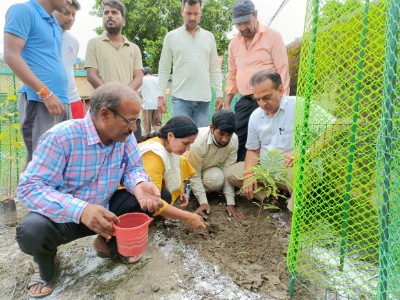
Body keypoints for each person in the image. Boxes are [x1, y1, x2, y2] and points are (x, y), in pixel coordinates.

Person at [15, 82, 206, 298]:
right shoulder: (61, 137)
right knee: (32, 230)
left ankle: (107, 245)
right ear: (105, 114)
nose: (135, 127)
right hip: (65, 217)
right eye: (130, 120)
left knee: (156, 196)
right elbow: (30, 188)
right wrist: (82, 209)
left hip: (107, 214)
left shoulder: (123, 138)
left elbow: (133, 168)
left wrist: (140, 184)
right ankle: (47, 267)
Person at [226, 70, 336, 233]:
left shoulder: (300, 106)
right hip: (266, 169)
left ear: (280, 90)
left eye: (266, 97)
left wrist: (306, 154)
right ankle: (273, 197)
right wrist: (249, 175)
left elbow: (334, 128)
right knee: (232, 173)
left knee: (301, 174)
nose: (262, 104)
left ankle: (294, 215)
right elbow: (253, 150)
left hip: (293, 170)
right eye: (258, 99)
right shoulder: (256, 116)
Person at [4, 0, 72, 165]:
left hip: (61, 101)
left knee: (60, 162)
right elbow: (11, 55)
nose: (70, 1)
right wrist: (45, 93)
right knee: (40, 163)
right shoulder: (23, 11)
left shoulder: (55, 24)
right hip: (40, 100)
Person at [224, 0, 290, 162]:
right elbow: (232, 74)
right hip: (246, 100)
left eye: (246, 22)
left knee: (271, 137)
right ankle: (243, 177)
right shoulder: (234, 44)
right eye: (238, 24)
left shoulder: (272, 36)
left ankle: (273, 176)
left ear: (255, 15)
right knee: (240, 138)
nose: (242, 28)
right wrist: (227, 103)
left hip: (270, 98)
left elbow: (282, 69)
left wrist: (284, 101)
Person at [157, 0, 223, 127]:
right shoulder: (171, 37)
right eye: (188, 13)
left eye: (196, 13)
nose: (192, 17)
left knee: (199, 142)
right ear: (182, 11)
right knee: (181, 140)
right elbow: (164, 68)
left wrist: (219, 93)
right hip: (180, 99)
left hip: (203, 100)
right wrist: (160, 95)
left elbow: (214, 69)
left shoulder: (209, 37)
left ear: (200, 13)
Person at [85, 0, 143, 140]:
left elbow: (139, 78)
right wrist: (113, 98)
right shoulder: (94, 44)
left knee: (132, 155)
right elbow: (92, 76)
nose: (109, 16)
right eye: (106, 13)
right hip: (103, 114)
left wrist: (123, 99)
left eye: (114, 13)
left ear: (123, 21)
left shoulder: (133, 48)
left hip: (129, 115)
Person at [185, 110, 243, 218]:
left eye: (229, 135)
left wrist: (230, 203)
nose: (225, 140)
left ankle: (195, 189)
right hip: (187, 171)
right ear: (211, 128)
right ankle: (190, 188)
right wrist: (203, 202)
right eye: (221, 134)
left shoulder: (233, 140)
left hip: (206, 169)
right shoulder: (197, 142)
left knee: (217, 179)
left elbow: (228, 171)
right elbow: (194, 173)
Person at [139, 116, 201, 207]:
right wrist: (189, 217)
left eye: (190, 144)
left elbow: (176, 174)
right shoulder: (154, 154)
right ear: (170, 136)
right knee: (164, 196)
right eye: (185, 143)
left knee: (165, 196)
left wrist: (180, 192)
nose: (188, 149)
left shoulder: (172, 151)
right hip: (126, 196)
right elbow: (151, 197)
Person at [54, 0, 84, 119]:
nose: (71, 18)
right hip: (50, 99)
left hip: (73, 100)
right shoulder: (42, 35)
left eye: (74, 14)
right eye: (66, 13)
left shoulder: (74, 42)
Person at [138, 67, 162, 135]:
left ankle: (148, 140)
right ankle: (159, 138)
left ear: (143, 73)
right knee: (157, 125)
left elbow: (139, 94)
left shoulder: (141, 80)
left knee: (147, 127)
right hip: (157, 105)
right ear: (151, 73)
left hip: (147, 106)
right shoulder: (157, 79)